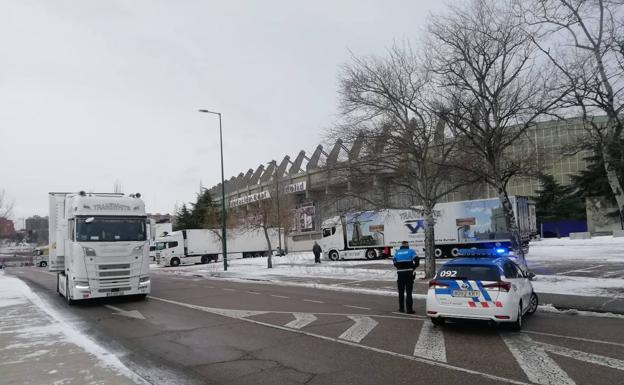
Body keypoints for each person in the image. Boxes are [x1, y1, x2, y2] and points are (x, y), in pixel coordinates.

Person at [393, 241, 419, 314]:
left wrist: (399, 268)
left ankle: (401, 308)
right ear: (407, 245)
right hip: (409, 274)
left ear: (401, 245)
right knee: (409, 292)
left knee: (401, 292)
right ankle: (409, 310)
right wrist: (413, 267)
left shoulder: (397, 252)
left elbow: (394, 262)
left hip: (400, 275)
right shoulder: (411, 251)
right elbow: (417, 260)